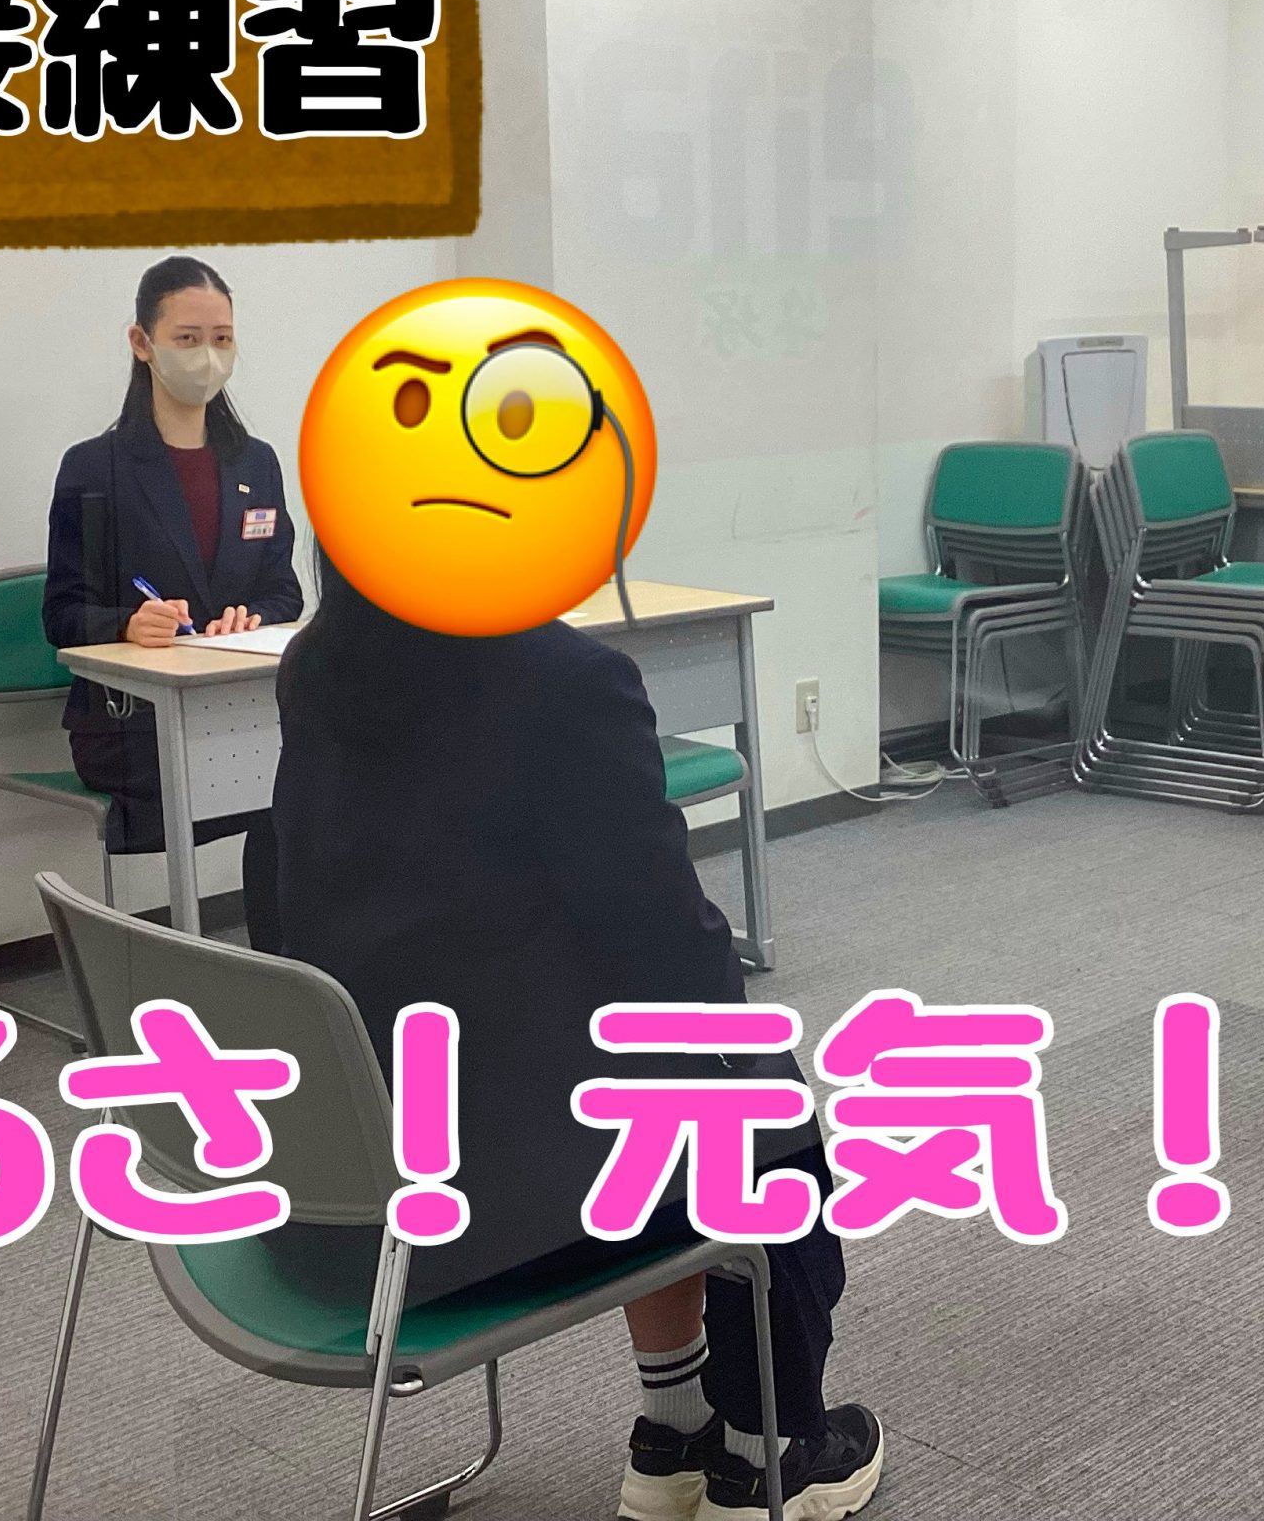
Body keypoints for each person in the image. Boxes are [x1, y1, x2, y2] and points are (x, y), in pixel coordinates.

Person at [272, 552, 883, 1521]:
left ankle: (673, 1431)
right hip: (488, 1223)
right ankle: (765, 1455)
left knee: (659, 1084)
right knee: (765, 1119)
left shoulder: (315, 663)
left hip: (340, 1199)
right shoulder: (563, 680)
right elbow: (667, 945)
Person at [43, 256, 302, 954]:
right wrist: (126, 624)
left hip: (239, 711)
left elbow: (284, 590)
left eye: (222, 338)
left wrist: (253, 616)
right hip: (132, 730)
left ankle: (286, 974)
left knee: (301, 780)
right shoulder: (94, 467)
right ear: (142, 343)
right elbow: (62, 614)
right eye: (187, 339)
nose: (207, 356)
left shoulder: (256, 462)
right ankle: (218, 978)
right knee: (276, 789)